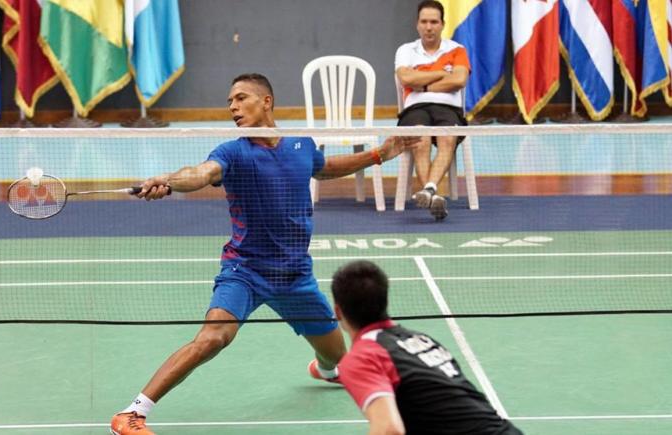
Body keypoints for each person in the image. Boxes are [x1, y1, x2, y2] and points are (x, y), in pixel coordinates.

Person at [109, 73, 412, 435]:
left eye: (240, 98)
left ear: (266, 101)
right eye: (229, 102)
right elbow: (201, 173)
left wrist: (379, 154)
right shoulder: (233, 153)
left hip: (295, 276)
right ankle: (131, 413)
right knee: (213, 338)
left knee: (337, 357)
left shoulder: (301, 145)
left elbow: (324, 168)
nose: (233, 107)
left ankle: (323, 370)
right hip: (246, 271)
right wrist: (170, 181)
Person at [331, 260, 523, 435]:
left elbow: (389, 430)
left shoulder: (364, 356)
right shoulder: (422, 340)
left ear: (337, 311)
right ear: (385, 300)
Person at [395, 0, 470, 220]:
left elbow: (459, 79)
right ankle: (433, 193)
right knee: (421, 138)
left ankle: (429, 191)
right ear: (417, 24)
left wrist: (424, 83)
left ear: (442, 24)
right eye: (424, 22)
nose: (429, 27)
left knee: (447, 139)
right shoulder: (406, 50)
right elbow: (406, 78)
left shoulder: (457, 49)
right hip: (415, 108)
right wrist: (442, 74)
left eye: (434, 22)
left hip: (449, 108)